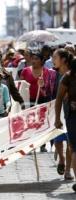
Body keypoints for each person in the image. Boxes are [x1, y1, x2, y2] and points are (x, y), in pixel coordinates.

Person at [21, 50, 56, 152]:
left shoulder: (47, 72)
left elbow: (51, 87)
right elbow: (21, 86)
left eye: (36, 59)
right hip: (29, 100)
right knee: (30, 122)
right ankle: (30, 144)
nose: (34, 60)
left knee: (42, 122)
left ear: (42, 61)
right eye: (32, 58)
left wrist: (43, 85)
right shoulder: (25, 71)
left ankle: (42, 144)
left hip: (43, 99)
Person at [52, 48, 74, 180]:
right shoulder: (54, 74)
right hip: (56, 109)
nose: (53, 60)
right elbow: (50, 92)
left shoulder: (72, 73)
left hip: (70, 112)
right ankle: (62, 159)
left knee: (71, 142)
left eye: (55, 57)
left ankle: (67, 170)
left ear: (63, 60)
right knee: (58, 138)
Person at [55, 58, 76, 192]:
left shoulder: (68, 77)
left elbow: (59, 99)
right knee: (75, 149)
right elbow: (59, 99)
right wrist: (57, 118)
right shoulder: (67, 78)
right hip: (73, 117)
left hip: (72, 117)